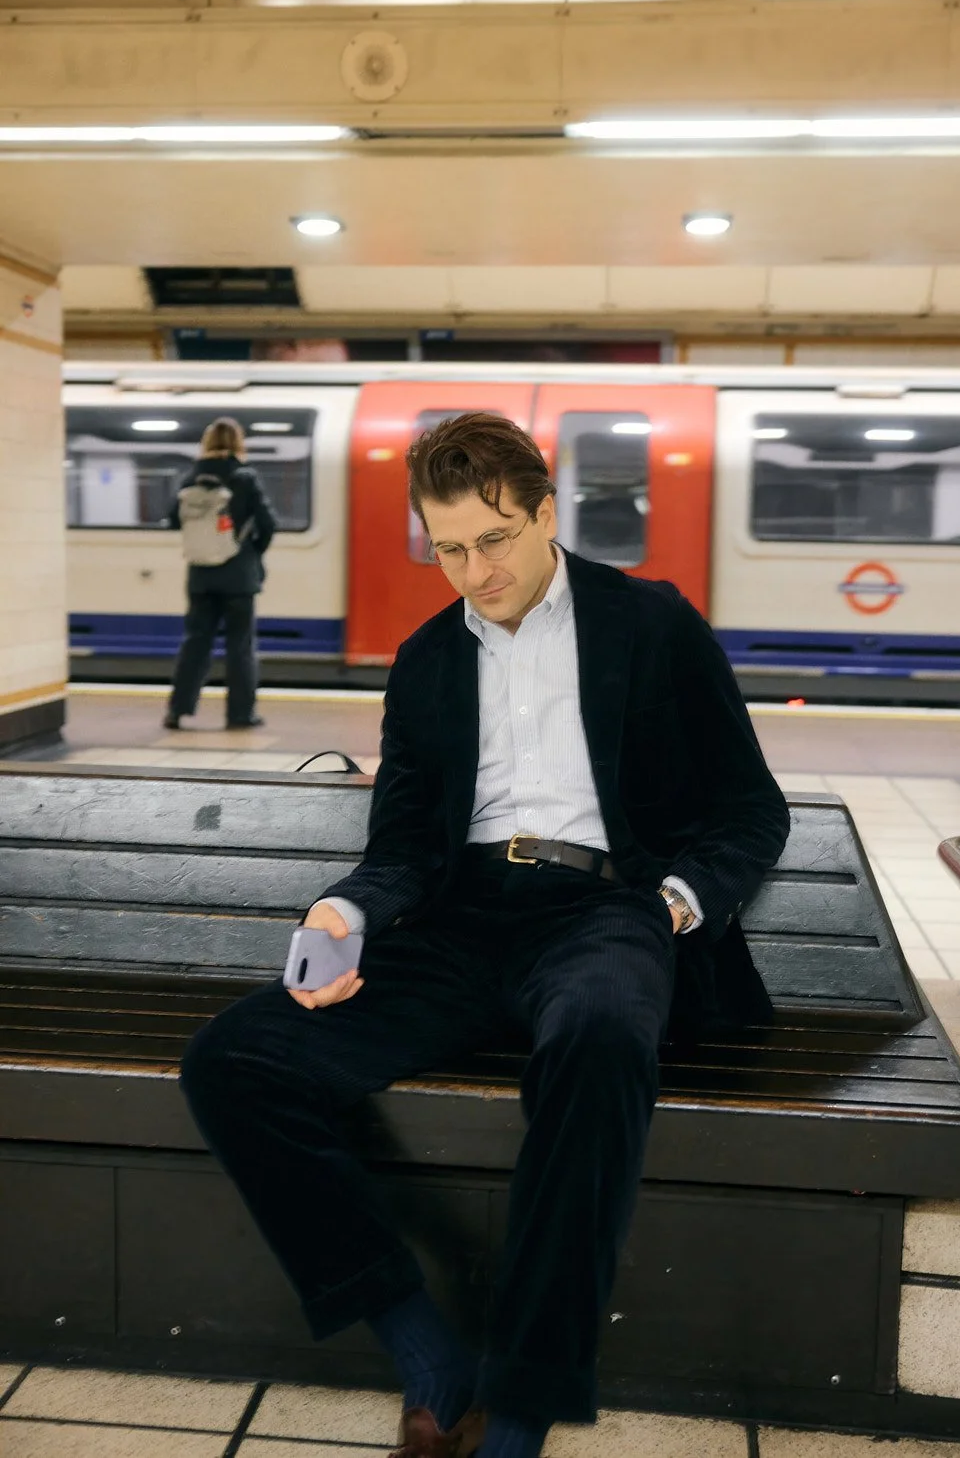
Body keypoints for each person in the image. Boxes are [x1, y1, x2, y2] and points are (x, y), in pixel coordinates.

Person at [180, 414, 790, 1458]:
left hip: (606, 912)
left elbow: (749, 809)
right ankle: (425, 1351)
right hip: (457, 919)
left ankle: (519, 1406)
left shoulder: (650, 623)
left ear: (545, 513)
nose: (474, 571)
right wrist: (345, 911)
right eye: (449, 548)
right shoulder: (424, 660)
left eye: (494, 540)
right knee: (234, 1057)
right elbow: (403, 847)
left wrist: (672, 904)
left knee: (599, 1037)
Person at [164, 416, 276, 731]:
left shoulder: (190, 478)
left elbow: (173, 521)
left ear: (207, 443)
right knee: (239, 646)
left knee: (195, 643)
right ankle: (240, 714)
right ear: (238, 443)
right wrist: (251, 553)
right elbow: (268, 524)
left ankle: (177, 711)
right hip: (239, 577)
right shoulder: (245, 477)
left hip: (200, 576)